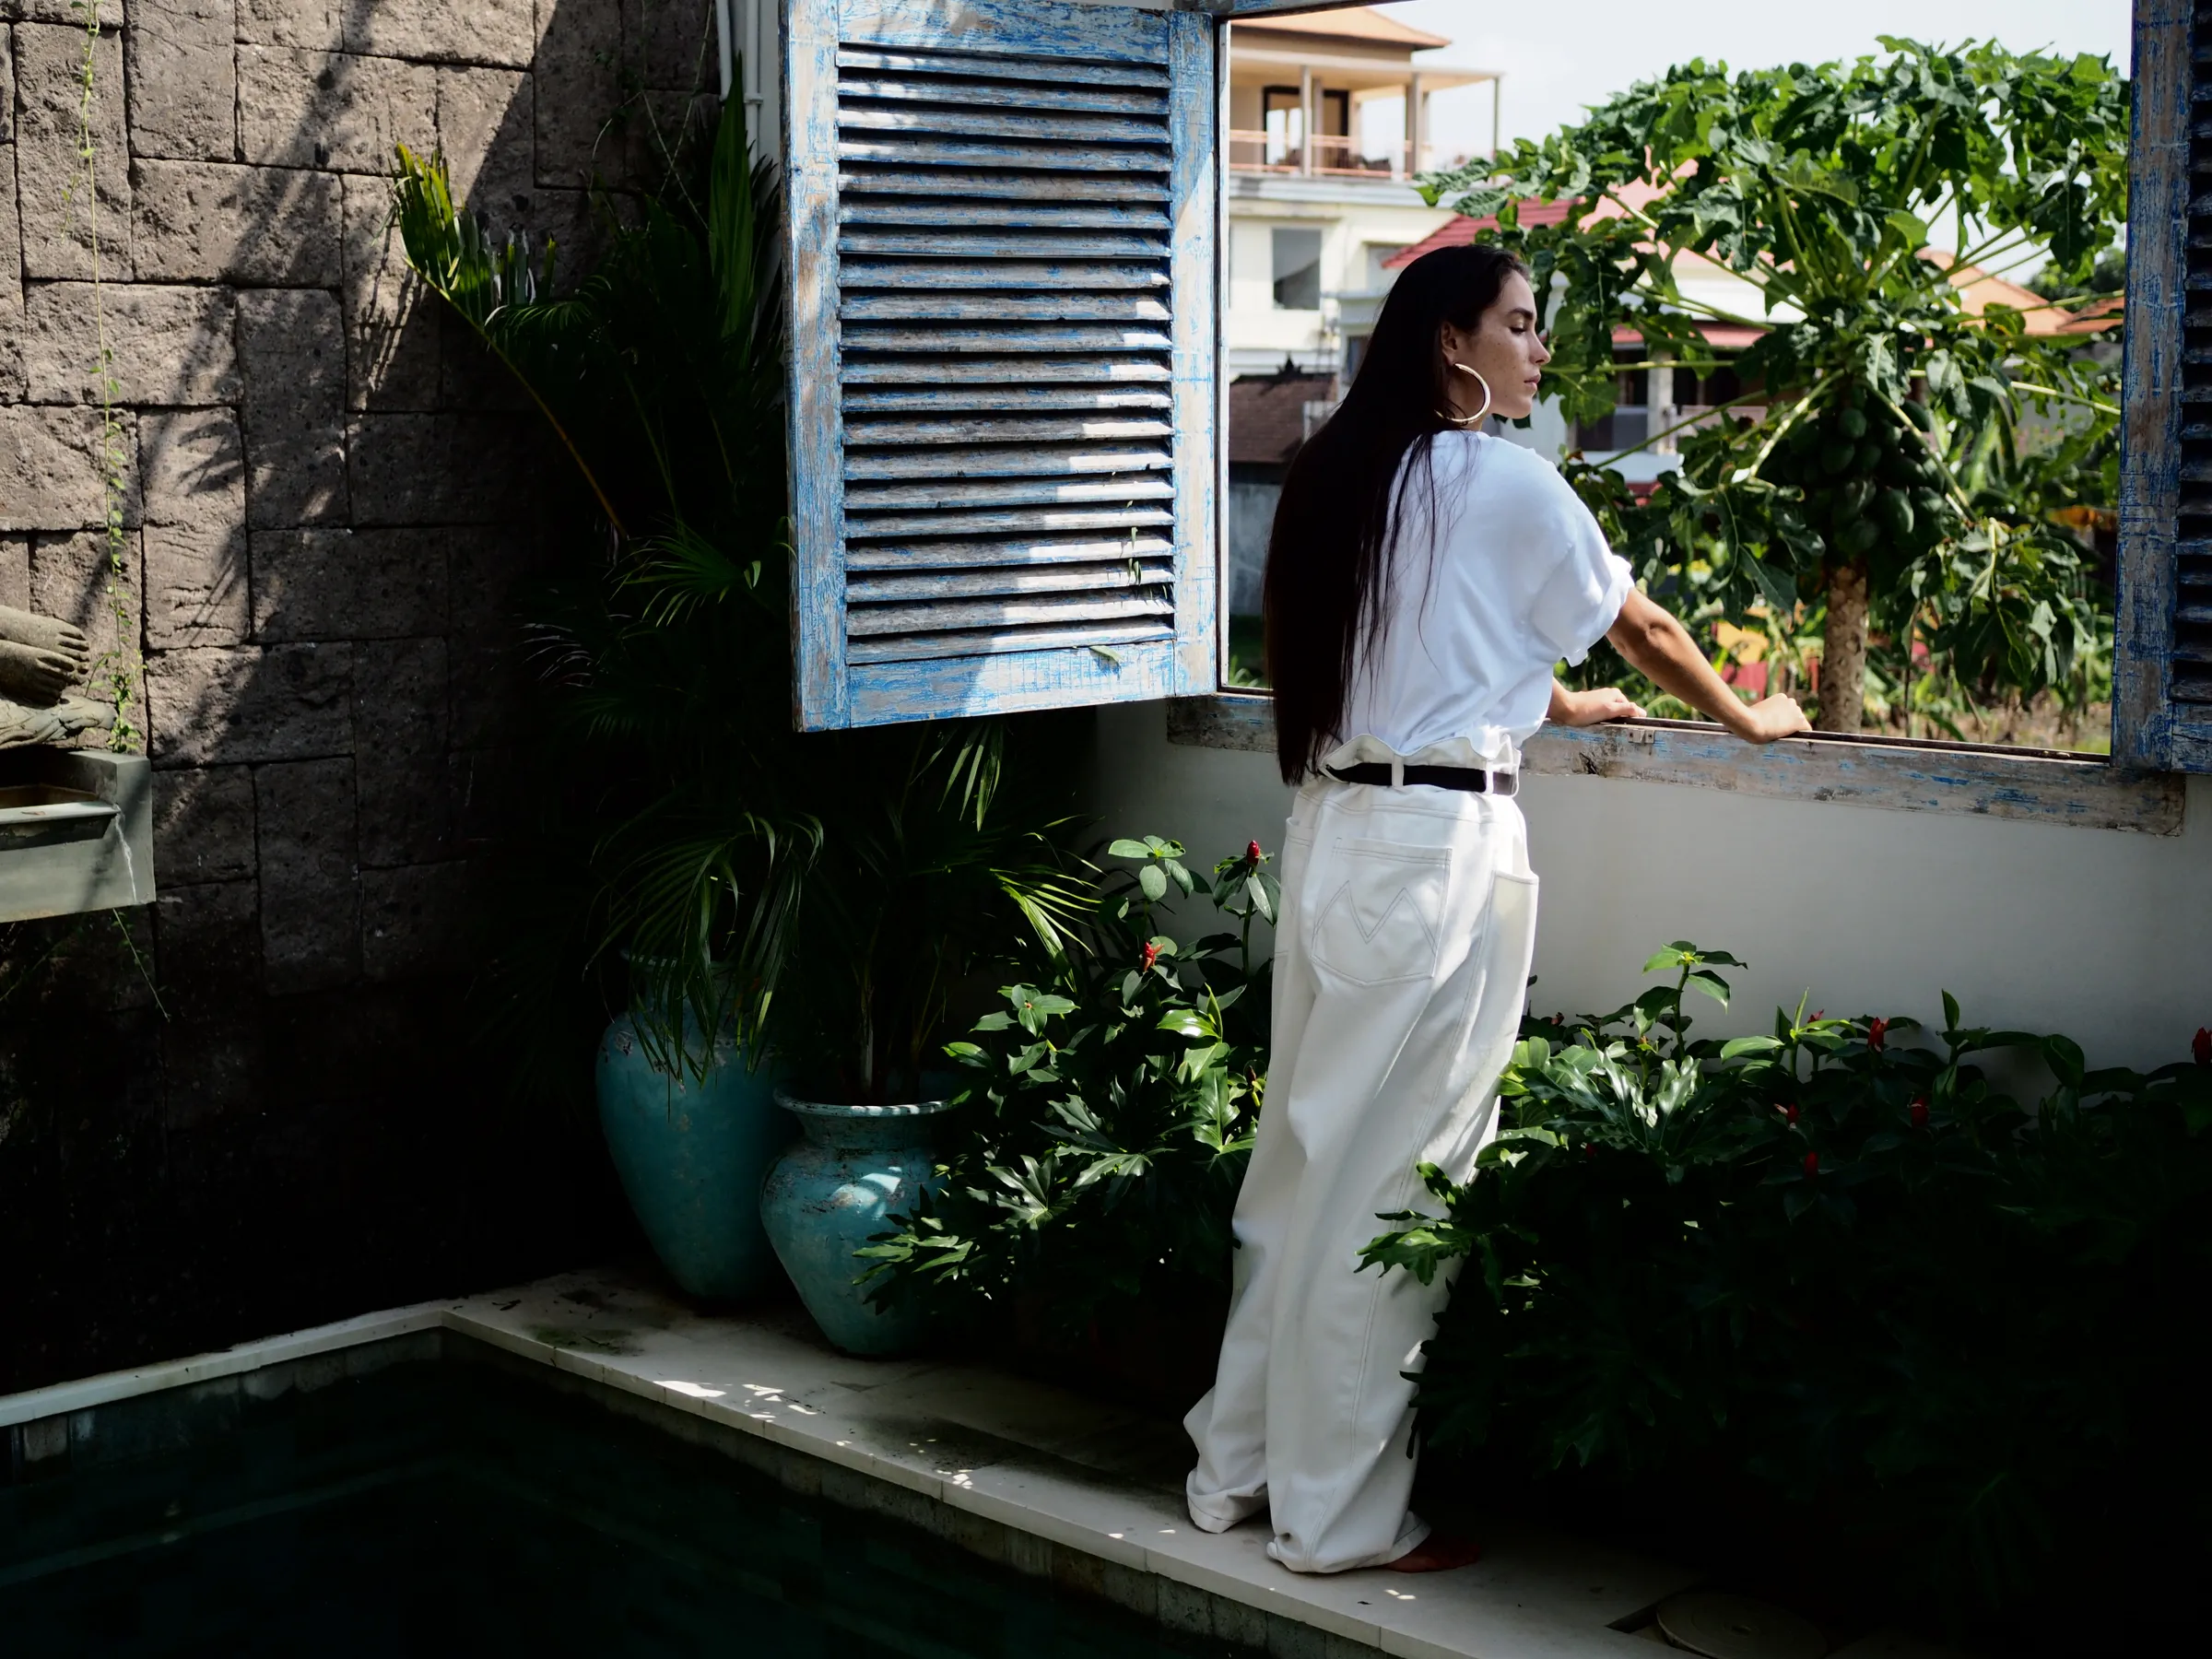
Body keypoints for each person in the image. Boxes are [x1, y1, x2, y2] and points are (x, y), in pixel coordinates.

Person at [1182, 242, 1810, 1575]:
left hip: (1337, 829)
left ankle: (1235, 1473)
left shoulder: (1342, 475)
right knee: (1393, 1186)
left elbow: (1422, 642)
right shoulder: (1502, 479)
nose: (1539, 352)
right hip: (1430, 853)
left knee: (1297, 1174)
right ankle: (1334, 1522)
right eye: (1520, 326)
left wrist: (1554, 702)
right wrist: (1750, 716)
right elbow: (1643, 626)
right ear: (1451, 343)